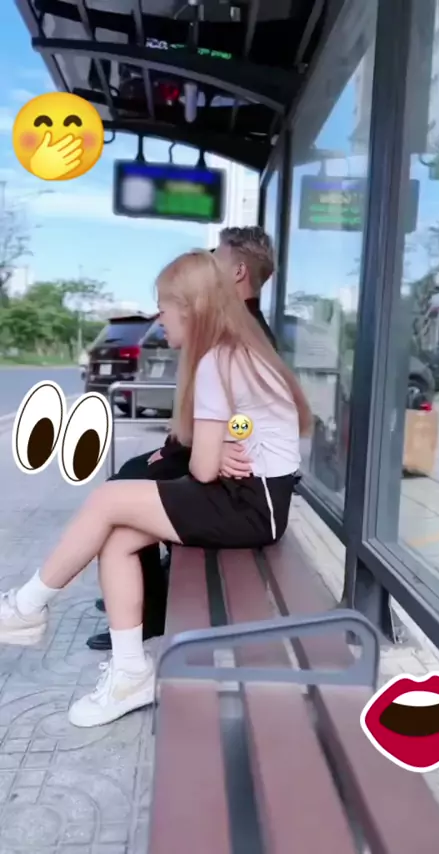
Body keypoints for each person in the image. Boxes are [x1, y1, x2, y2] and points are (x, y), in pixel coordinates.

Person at [0, 250, 311, 728]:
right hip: (253, 498)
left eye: (164, 308)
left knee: (110, 498)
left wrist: (215, 450)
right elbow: (236, 437)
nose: (159, 319)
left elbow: (203, 468)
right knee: (118, 538)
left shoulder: (220, 361)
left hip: (252, 507)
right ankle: (130, 672)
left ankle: (26, 606)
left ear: (191, 308)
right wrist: (220, 445)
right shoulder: (234, 352)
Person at [87, 225, 278, 652]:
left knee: (125, 485)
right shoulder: (236, 324)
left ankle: (146, 609)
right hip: (205, 453)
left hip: (225, 474)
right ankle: (133, 592)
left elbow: (251, 415)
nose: (206, 265)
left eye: (216, 259)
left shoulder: (245, 330)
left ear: (238, 272)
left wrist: (226, 444)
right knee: (129, 478)